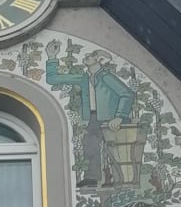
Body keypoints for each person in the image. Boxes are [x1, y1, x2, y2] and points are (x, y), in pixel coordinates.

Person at [45, 42, 135, 188]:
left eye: (93, 55)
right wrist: (52, 57)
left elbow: (127, 94)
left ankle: (114, 179)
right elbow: (53, 79)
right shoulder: (83, 78)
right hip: (93, 117)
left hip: (109, 119)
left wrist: (119, 116)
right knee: (90, 145)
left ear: (101, 60)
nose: (87, 55)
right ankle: (92, 178)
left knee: (112, 148)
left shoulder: (106, 77)